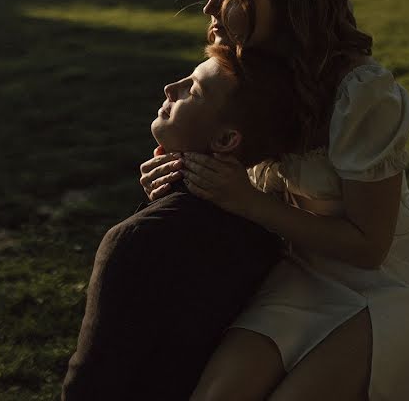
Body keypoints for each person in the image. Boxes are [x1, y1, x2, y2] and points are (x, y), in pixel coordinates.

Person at [140, 0, 409, 401]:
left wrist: (246, 201)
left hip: (388, 287)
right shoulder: (239, 72)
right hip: (302, 276)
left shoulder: (361, 92)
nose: (208, 7)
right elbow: (220, 153)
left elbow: (370, 247)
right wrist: (179, 170)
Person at [62, 45, 301, 400]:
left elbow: (92, 383)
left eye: (194, 89)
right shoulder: (266, 232)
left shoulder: (139, 239)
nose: (171, 87)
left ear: (225, 140)